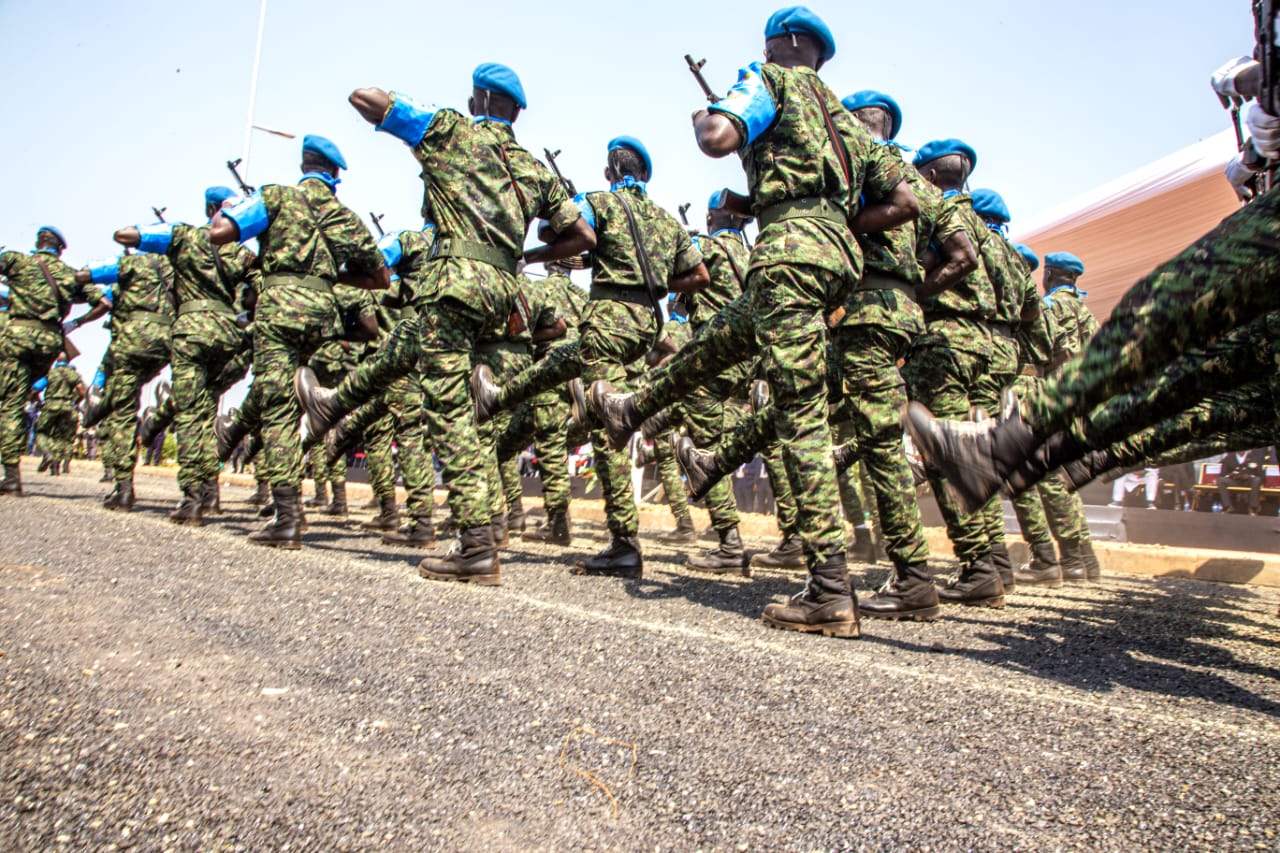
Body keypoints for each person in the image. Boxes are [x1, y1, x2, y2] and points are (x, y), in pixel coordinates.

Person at [599, 7, 919, 636]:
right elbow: (903, 201)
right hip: (829, 261)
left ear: (784, 44)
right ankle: (632, 407)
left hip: (788, 257)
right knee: (720, 339)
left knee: (798, 413)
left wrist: (705, 114)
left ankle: (830, 589)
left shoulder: (768, 81)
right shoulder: (846, 121)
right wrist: (829, 227)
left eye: (769, 43)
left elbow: (717, 138)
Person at [905, 38, 1280, 517]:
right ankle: (1046, 459)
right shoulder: (1006, 257)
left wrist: (1261, 88)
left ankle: (1016, 453)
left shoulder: (944, 223)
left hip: (957, 356)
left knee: (1169, 313)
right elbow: (1035, 324)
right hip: (1003, 363)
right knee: (1212, 386)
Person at [297, 63, 595, 582]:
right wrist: (526, 255)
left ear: (480, 100)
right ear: (516, 111)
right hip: (502, 291)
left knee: (449, 409)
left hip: (454, 282)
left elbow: (365, 97)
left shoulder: (452, 130)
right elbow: (584, 238)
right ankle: (334, 403)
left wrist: (418, 119)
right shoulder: (533, 169)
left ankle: (476, 544)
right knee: (405, 347)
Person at [211, 136, 387, 548]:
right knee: (285, 393)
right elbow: (381, 278)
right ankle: (238, 431)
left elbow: (220, 233)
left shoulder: (275, 197)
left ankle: (287, 516)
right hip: (320, 316)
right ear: (335, 174)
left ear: (304, 165)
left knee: (278, 407)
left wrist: (234, 213)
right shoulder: (344, 216)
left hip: (278, 310)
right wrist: (331, 276)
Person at [115, 187, 260, 524]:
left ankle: (193, 498)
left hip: (191, 332)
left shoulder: (184, 236)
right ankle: (210, 492)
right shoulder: (240, 252)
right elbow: (259, 292)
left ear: (209, 209)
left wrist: (158, 236)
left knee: (191, 415)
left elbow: (125, 235)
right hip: (228, 335)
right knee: (207, 409)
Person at [0, 226, 109, 495]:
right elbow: (104, 303)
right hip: (49, 343)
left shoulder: (17, 261)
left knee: (10, 403)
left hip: (17, 338)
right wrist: (76, 323)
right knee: (17, 398)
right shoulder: (70, 274)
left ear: (38, 242)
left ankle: (11, 475)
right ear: (60, 250)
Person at [77, 249, 175, 511]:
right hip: (166, 343)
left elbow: (90, 278)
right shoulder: (174, 267)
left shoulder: (130, 265)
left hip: (132, 341)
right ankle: (153, 412)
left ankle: (123, 488)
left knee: (123, 409)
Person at [34, 353, 85, 475]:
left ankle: (47, 454)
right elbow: (82, 392)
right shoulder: (73, 374)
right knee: (61, 437)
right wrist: (74, 403)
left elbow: (36, 388)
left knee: (41, 432)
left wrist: (38, 401)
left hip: (50, 405)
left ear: (57, 359)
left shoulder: (50, 373)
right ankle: (56, 467)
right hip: (67, 408)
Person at [1216, 447, 1271, 514]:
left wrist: (1250, 476)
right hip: (1234, 481)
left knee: (1257, 480)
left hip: (1249, 481)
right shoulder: (1229, 457)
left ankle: (1253, 507)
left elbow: (1261, 475)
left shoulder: (1254, 457)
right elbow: (1223, 474)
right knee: (1221, 480)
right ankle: (1227, 506)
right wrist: (1231, 475)